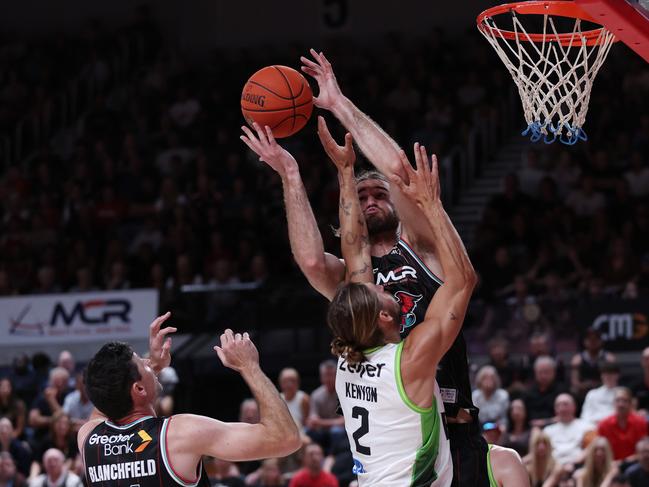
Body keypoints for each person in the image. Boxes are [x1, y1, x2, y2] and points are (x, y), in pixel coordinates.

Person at [239, 51, 491, 487]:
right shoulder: (352, 282)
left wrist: (339, 105)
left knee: (506, 465)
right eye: (362, 196)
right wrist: (290, 177)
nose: (372, 199)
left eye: (380, 194)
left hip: (452, 419)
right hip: (396, 428)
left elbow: (401, 172)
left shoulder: (425, 250)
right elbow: (312, 260)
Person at [326, 144, 526, 486]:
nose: (378, 286)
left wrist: (345, 173)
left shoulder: (349, 360)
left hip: (390, 464)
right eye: (378, 292)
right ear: (386, 319)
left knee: (507, 462)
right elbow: (463, 281)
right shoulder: (411, 359)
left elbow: (354, 248)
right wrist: (433, 206)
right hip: (431, 452)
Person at [78, 312, 301, 487]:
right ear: (138, 388)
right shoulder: (179, 434)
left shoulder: (88, 439)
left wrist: (151, 369)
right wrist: (250, 367)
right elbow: (284, 438)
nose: (149, 363)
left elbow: (103, 399)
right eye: (143, 363)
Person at [597, 387, 648, 462]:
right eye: (618, 400)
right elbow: (600, 451)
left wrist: (625, 462)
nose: (621, 404)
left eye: (625, 401)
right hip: (611, 465)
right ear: (613, 403)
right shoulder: (604, 424)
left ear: (631, 403)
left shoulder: (641, 423)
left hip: (634, 463)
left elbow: (645, 451)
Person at [542, 394, 593, 466]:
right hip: (552, 466)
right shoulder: (547, 431)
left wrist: (576, 462)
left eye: (565, 404)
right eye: (558, 405)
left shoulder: (587, 427)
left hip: (578, 465)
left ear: (574, 407)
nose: (562, 408)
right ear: (555, 409)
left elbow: (592, 447)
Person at [305, 361, 345, 452]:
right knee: (307, 430)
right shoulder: (316, 395)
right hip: (322, 431)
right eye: (326, 375)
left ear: (336, 376)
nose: (328, 378)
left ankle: (333, 457)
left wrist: (320, 422)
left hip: (338, 432)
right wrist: (313, 421)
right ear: (321, 377)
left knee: (336, 431)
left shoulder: (343, 394)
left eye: (331, 375)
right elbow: (313, 418)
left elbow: (343, 422)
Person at [579, 362, 619, 427]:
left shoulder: (623, 393)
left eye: (611, 374)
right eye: (605, 374)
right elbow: (585, 416)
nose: (608, 377)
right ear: (601, 375)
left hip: (615, 427)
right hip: (594, 428)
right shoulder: (592, 394)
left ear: (617, 375)